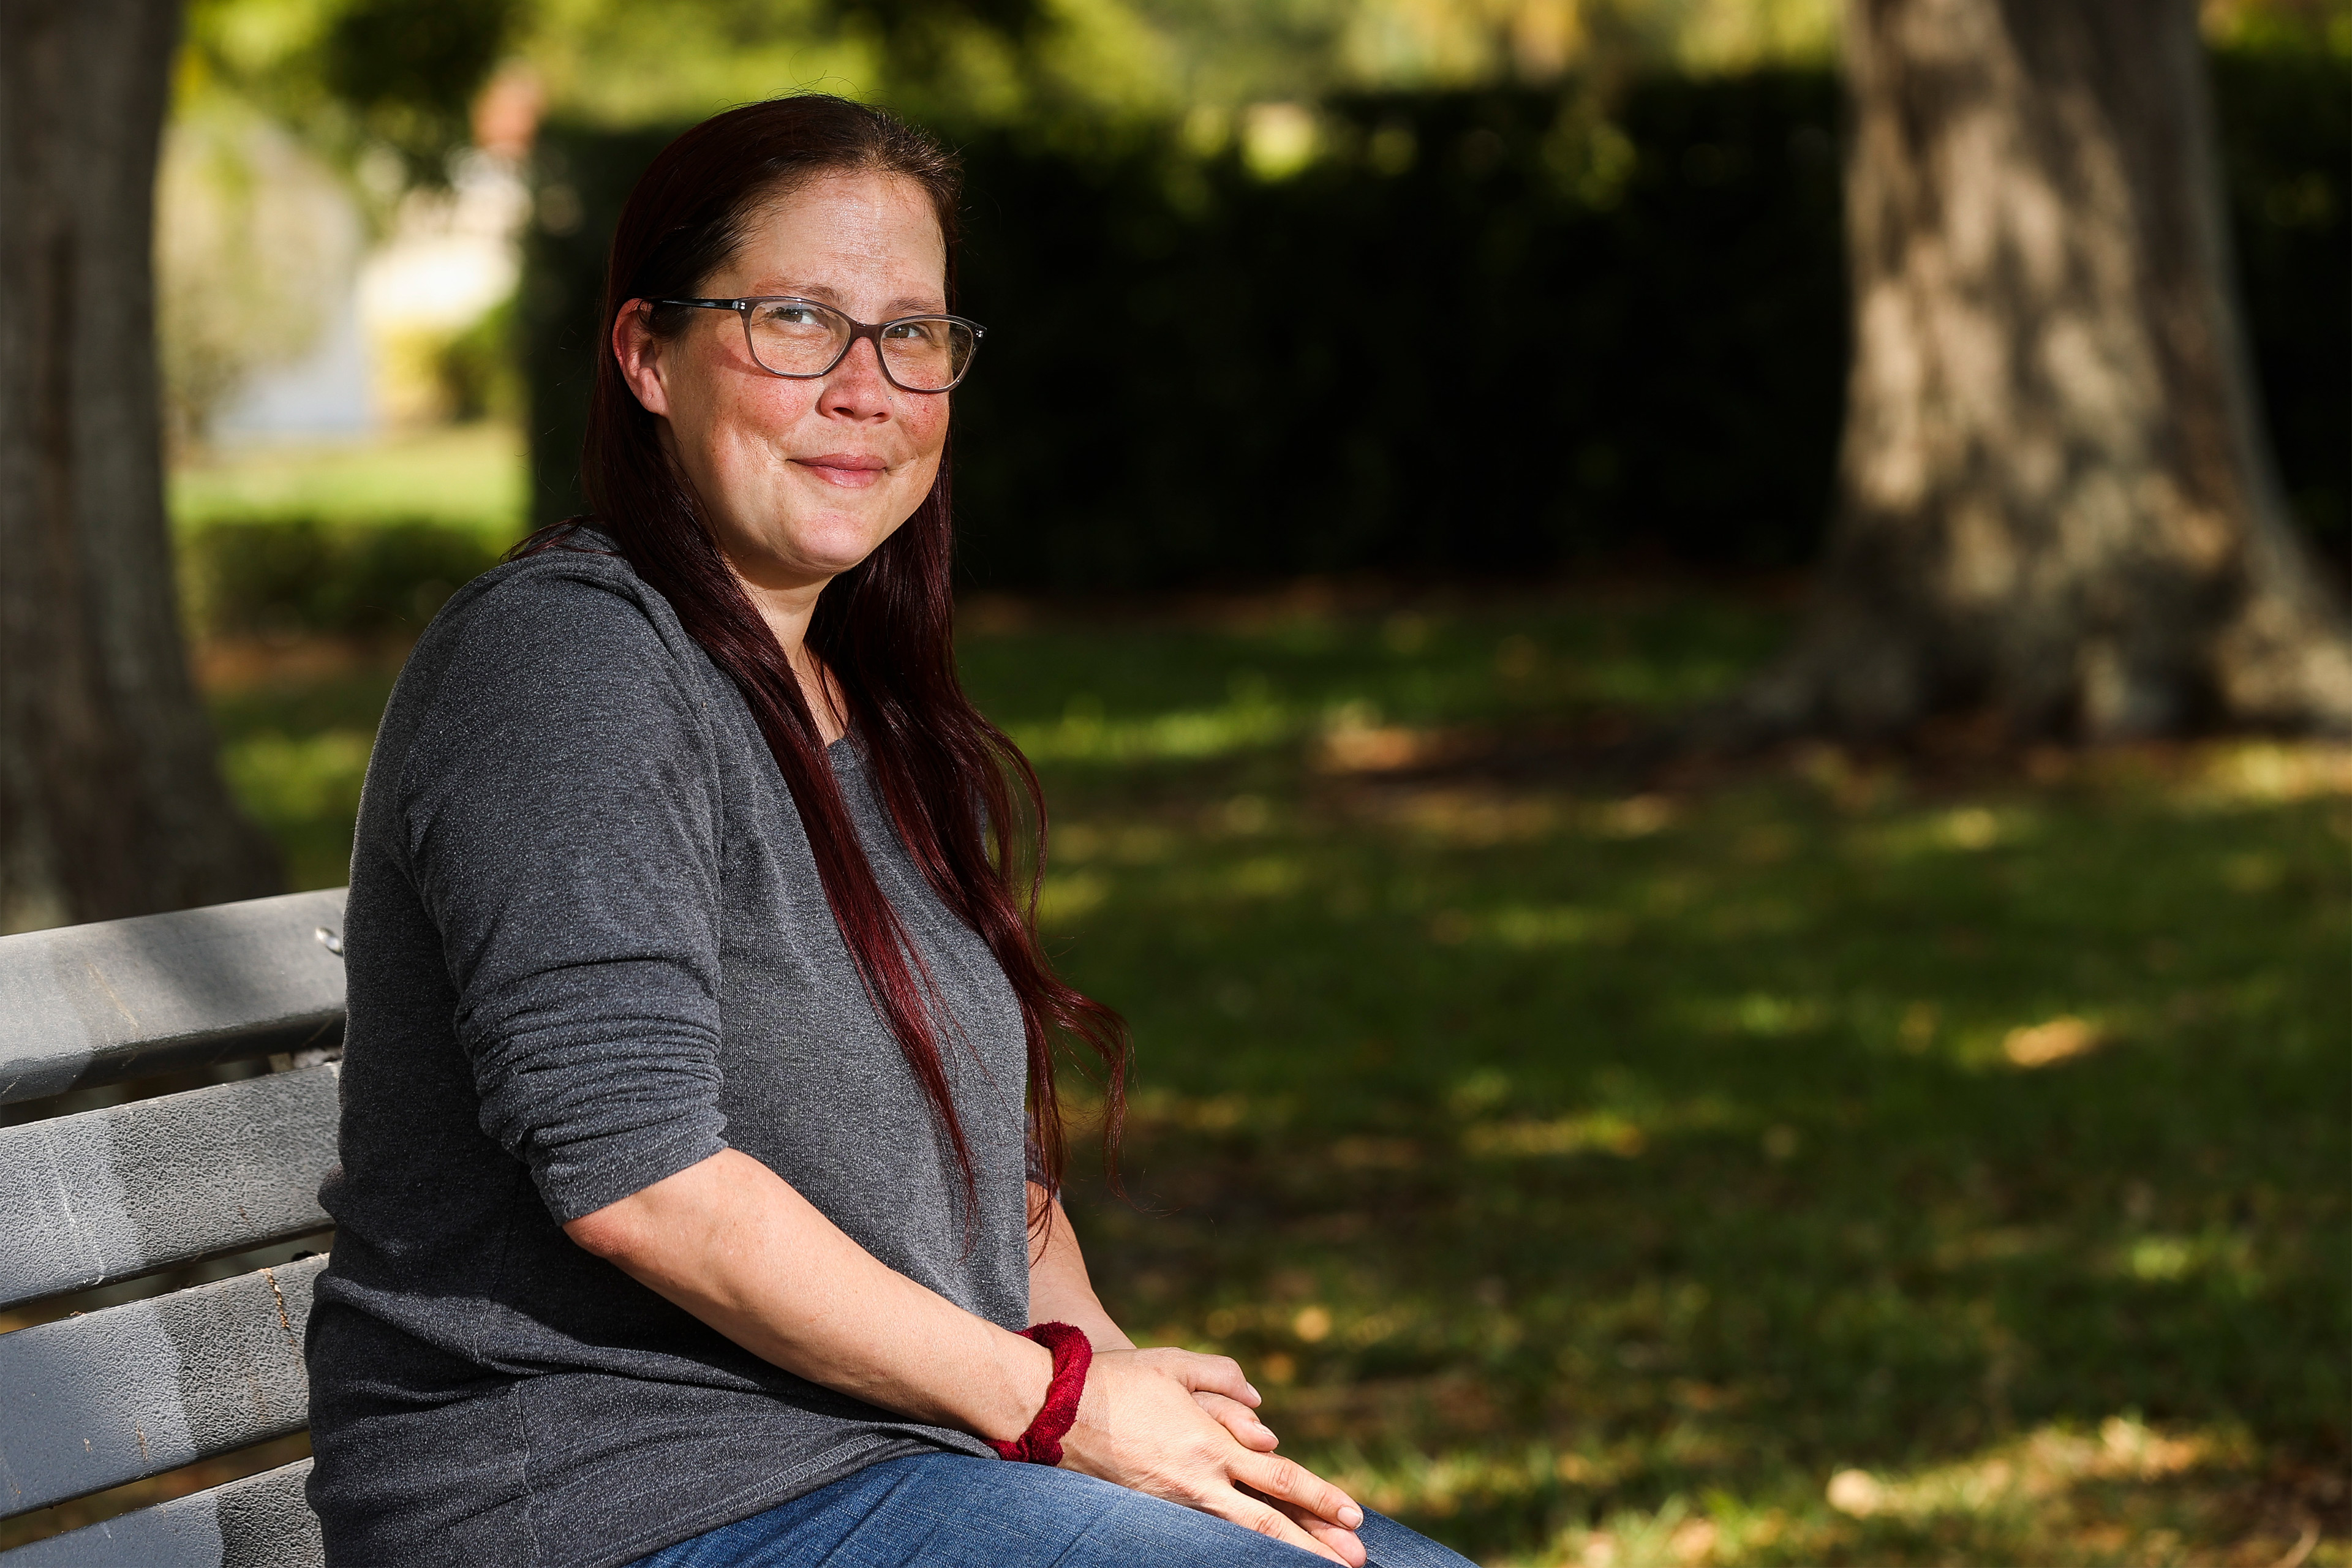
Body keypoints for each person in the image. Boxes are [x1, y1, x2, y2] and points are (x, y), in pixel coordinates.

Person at [304, 94, 1477, 1568]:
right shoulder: (567, 664)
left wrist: (1133, 1400)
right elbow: (638, 1181)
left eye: (911, 334)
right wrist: (1060, 1406)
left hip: (882, 1464)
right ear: (644, 356)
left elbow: (998, 1172)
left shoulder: (863, 710)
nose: (867, 385)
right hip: (609, 1505)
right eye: (796, 319)